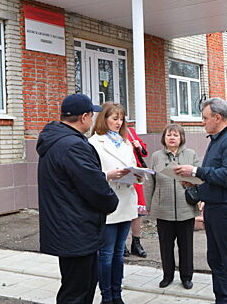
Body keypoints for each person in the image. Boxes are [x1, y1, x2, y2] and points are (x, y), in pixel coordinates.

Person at [37, 93, 120, 304]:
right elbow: (95, 187)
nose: (92, 120)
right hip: (77, 231)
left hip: (67, 228)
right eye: (91, 116)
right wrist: (111, 202)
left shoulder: (56, 141)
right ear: (84, 117)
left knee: (75, 287)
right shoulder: (73, 146)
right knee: (78, 292)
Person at [174, 98, 227, 304]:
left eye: (205, 118)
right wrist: (195, 183)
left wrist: (196, 171)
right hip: (215, 208)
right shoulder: (218, 139)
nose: (202, 122)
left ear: (218, 117)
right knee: (216, 260)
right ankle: (222, 299)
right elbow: (214, 175)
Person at [89, 102, 141, 304]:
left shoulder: (126, 142)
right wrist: (108, 175)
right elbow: (89, 176)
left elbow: (135, 167)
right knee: (106, 253)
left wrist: (138, 177)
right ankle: (107, 296)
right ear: (104, 119)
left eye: (121, 119)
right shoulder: (94, 142)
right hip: (108, 203)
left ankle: (117, 294)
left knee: (119, 253)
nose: (119, 123)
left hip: (126, 201)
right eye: (114, 118)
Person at [144, 124, 199, 289]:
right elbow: (149, 183)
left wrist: (201, 199)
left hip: (186, 208)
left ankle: (186, 277)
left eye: (176, 135)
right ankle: (167, 275)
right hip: (163, 209)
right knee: (165, 245)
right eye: (169, 135)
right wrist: (147, 205)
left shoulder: (191, 154)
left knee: (186, 245)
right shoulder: (156, 156)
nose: (172, 138)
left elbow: (199, 178)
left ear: (181, 137)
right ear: (164, 138)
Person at [123, 126, 148, 258]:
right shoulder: (105, 135)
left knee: (138, 209)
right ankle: (122, 244)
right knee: (122, 209)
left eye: (120, 119)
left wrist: (138, 146)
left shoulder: (130, 131)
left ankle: (136, 243)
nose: (118, 122)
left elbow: (144, 151)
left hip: (135, 174)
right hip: (119, 175)